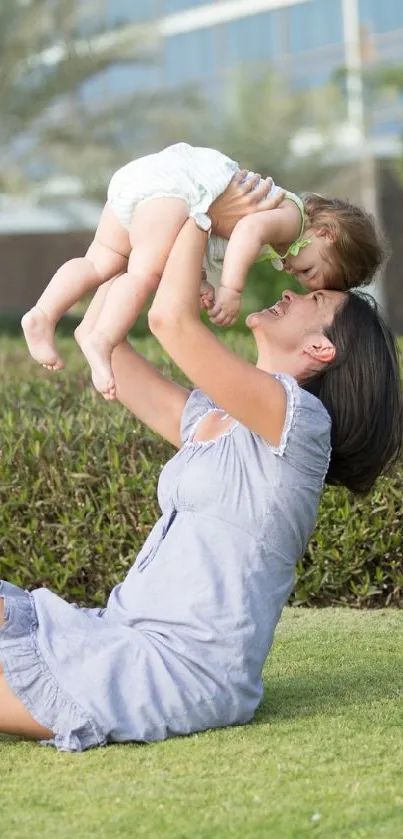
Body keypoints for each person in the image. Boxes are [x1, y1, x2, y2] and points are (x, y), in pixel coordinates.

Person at [1, 176, 401, 752]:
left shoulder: (301, 424)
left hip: (177, 670)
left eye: (312, 299)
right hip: (116, 631)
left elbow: (171, 324)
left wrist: (201, 201)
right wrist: (151, 239)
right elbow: (109, 342)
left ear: (321, 350)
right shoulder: (220, 420)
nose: (290, 292)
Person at [21, 142, 385, 400]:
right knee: (144, 274)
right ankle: (102, 338)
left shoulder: (283, 233)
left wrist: (199, 281)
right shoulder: (293, 219)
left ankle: (42, 314)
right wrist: (230, 288)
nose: (295, 276)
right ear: (326, 234)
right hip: (179, 189)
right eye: (309, 272)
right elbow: (244, 229)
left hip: (152, 182)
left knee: (101, 261)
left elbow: (205, 235)